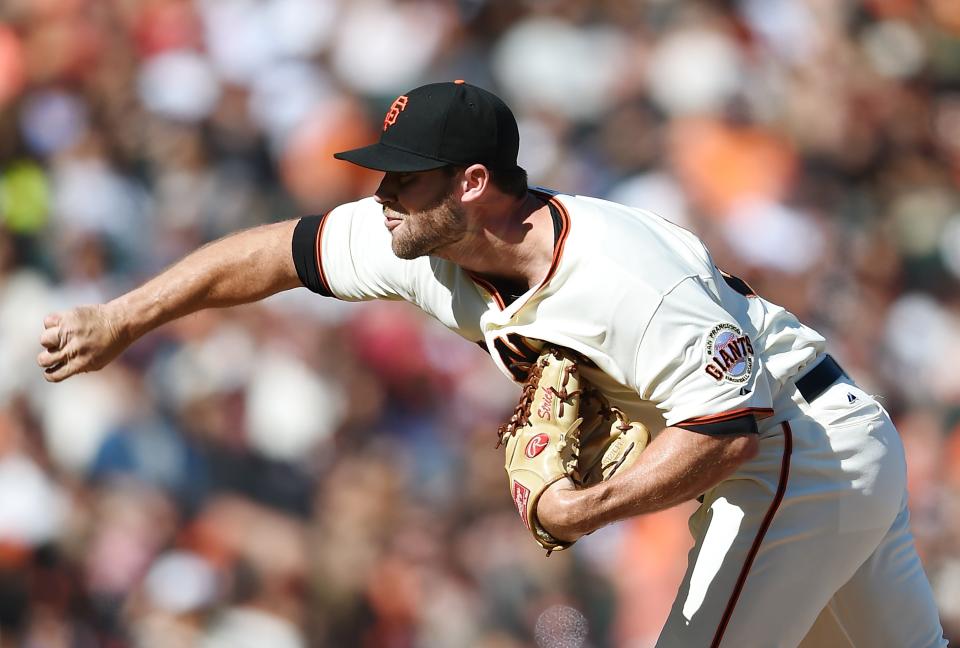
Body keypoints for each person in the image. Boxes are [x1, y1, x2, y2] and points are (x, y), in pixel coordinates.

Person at [37, 81, 946, 647]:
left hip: (798, 451)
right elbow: (277, 252)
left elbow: (729, 434)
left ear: (473, 183)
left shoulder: (626, 275)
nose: (381, 194)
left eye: (405, 176)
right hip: (816, 443)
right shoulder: (419, 244)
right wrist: (123, 317)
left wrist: (578, 509)